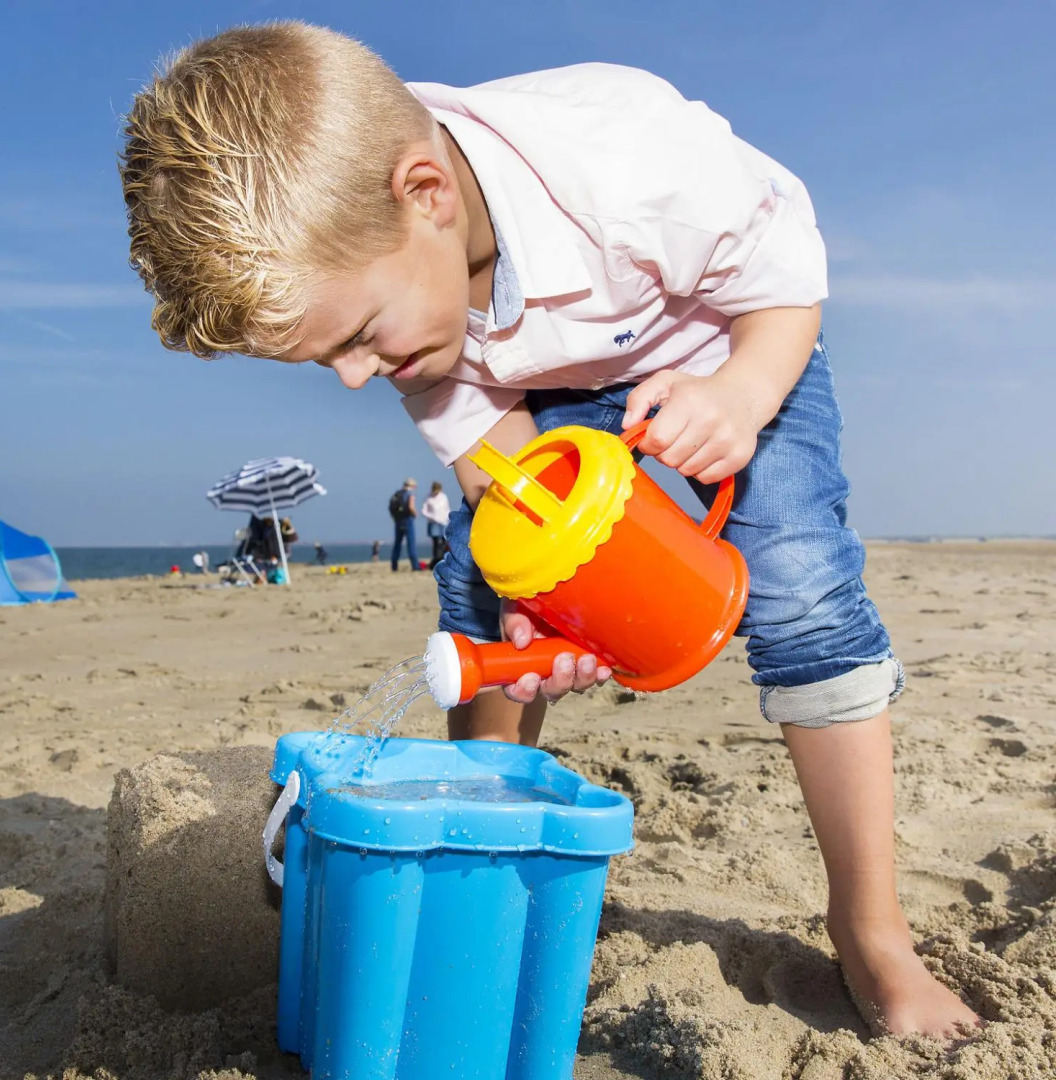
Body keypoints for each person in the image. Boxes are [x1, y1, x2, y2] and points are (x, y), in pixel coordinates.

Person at [118, 24, 979, 1037]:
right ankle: (484, 846)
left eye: (357, 339)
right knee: (486, 590)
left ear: (427, 193)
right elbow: (499, 471)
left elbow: (786, 275)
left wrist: (741, 396)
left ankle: (871, 929)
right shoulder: (391, 268)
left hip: (727, 331)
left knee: (799, 584)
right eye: (326, 360)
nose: (354, 377)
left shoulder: (628, 167)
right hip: (542, 388)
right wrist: (544, 598)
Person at [387, 478, 420, 572]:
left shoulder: (397, 494)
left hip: (398, 520)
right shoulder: (410, 494)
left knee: (397, 543)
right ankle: (415, 565)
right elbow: (411, 507)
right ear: (412, 486)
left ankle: (394, 565)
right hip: (408, 519)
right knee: (411, 543)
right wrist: (415, 514)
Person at [421, 481, 451, 566]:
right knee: (436, 541)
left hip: (443, 522)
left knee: (444, 541)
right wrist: (432, 516)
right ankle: (437, 558)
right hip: (433, 523)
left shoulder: (444, 497)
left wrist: (446, 518)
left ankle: (443, 558)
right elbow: (424, 511)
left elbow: (447, 508)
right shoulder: (428, 497)